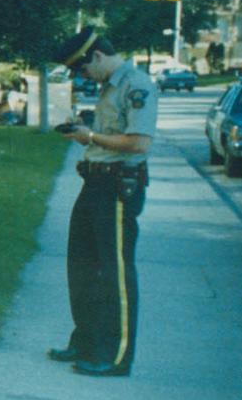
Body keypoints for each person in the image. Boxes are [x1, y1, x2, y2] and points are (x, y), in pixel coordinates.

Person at [46, 25, 158, 378]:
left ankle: (116, 355)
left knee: (115, 273)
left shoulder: (136, 85)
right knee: (81, 266)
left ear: (97, 56)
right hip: (95, 181)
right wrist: (86, 134)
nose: (82, 76)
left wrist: (91, 135)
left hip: (117, 188)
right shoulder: (110, 87)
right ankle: (87, 341)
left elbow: (139, 143)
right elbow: (112, 134)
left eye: (81, 68)